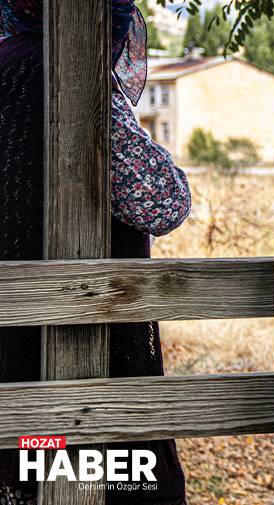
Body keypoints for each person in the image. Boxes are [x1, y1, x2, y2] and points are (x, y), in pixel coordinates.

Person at [0, 1, 190, 504]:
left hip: (13, 343)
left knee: (25, 467)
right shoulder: (75, 77)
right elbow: (162, 202)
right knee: (82, 474)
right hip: (77, 343)